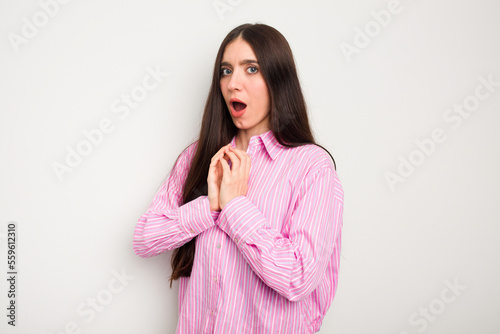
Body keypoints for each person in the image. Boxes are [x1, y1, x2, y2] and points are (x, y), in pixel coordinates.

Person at [133, 23, 344, 333]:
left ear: (278, 80)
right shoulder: (198, 157)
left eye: (252, 69)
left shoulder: (311, 167)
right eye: (226, 70)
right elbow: (144, 239)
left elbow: (297, 277)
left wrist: (235, 208)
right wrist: (210, 207)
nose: (233, 84)